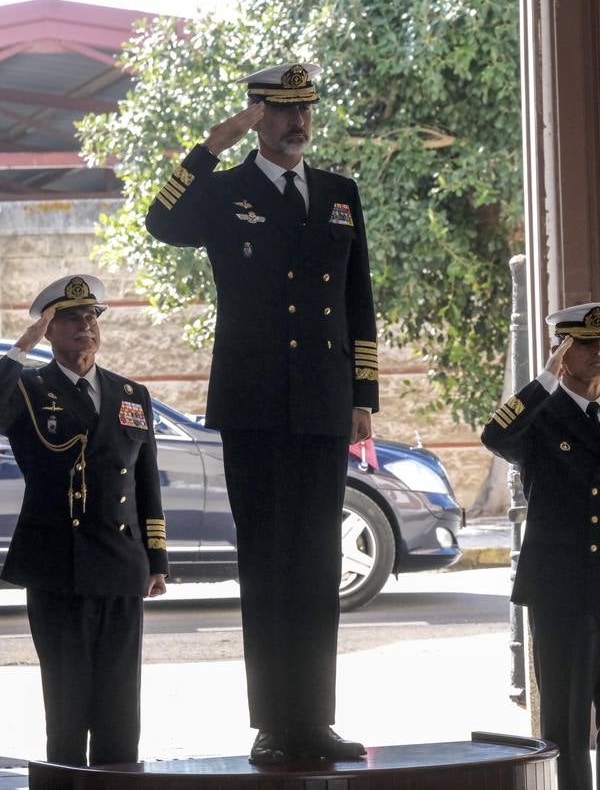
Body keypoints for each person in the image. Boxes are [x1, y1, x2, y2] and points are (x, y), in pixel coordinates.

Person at [146, 62, 379, 763]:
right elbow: (161, 220)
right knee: (270, 565)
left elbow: (358, 300)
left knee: (317, 565)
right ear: (257, 115)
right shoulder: (226, 192)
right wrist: (214, 142)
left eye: (304, 109)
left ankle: (315, 720)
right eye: (280, 111)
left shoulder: (340, 195)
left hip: (323, 404)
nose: (296, 122)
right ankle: (274, 725)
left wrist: (363, 396)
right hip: (254, 406)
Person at [0, 274, 168, 767]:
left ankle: (119, 782)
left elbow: (146, 481)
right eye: (70, 318)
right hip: (58, 566)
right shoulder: (29, 388)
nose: (85, 326)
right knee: (68, 703)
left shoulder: (131, 393)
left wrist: (155, 558)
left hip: (121, 563)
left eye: (92, 316)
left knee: (120, 703)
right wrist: (18, 350)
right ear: (48, 331)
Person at [481, 302, 600, 790]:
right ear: (562, 352)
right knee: (567, 726)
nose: (597, 354)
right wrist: (544, 380)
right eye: (586, 345)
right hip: (562, 591)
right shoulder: (539, 421)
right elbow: (495, 434)